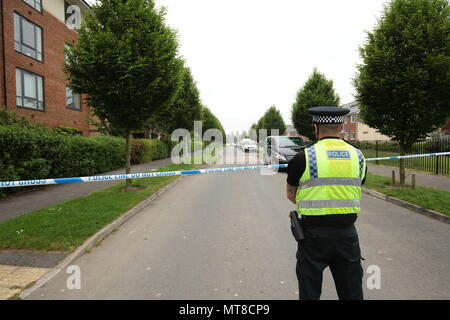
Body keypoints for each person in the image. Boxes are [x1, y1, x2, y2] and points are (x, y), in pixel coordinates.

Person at [286, 106, 367, 300]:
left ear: (315, 127)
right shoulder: (358, 155)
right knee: (352, 293)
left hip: (313, 236)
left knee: (310, 292)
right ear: (341, 126)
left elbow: (291, 193)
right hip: (347, 235)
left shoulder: (304, 156)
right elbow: (359, 184)